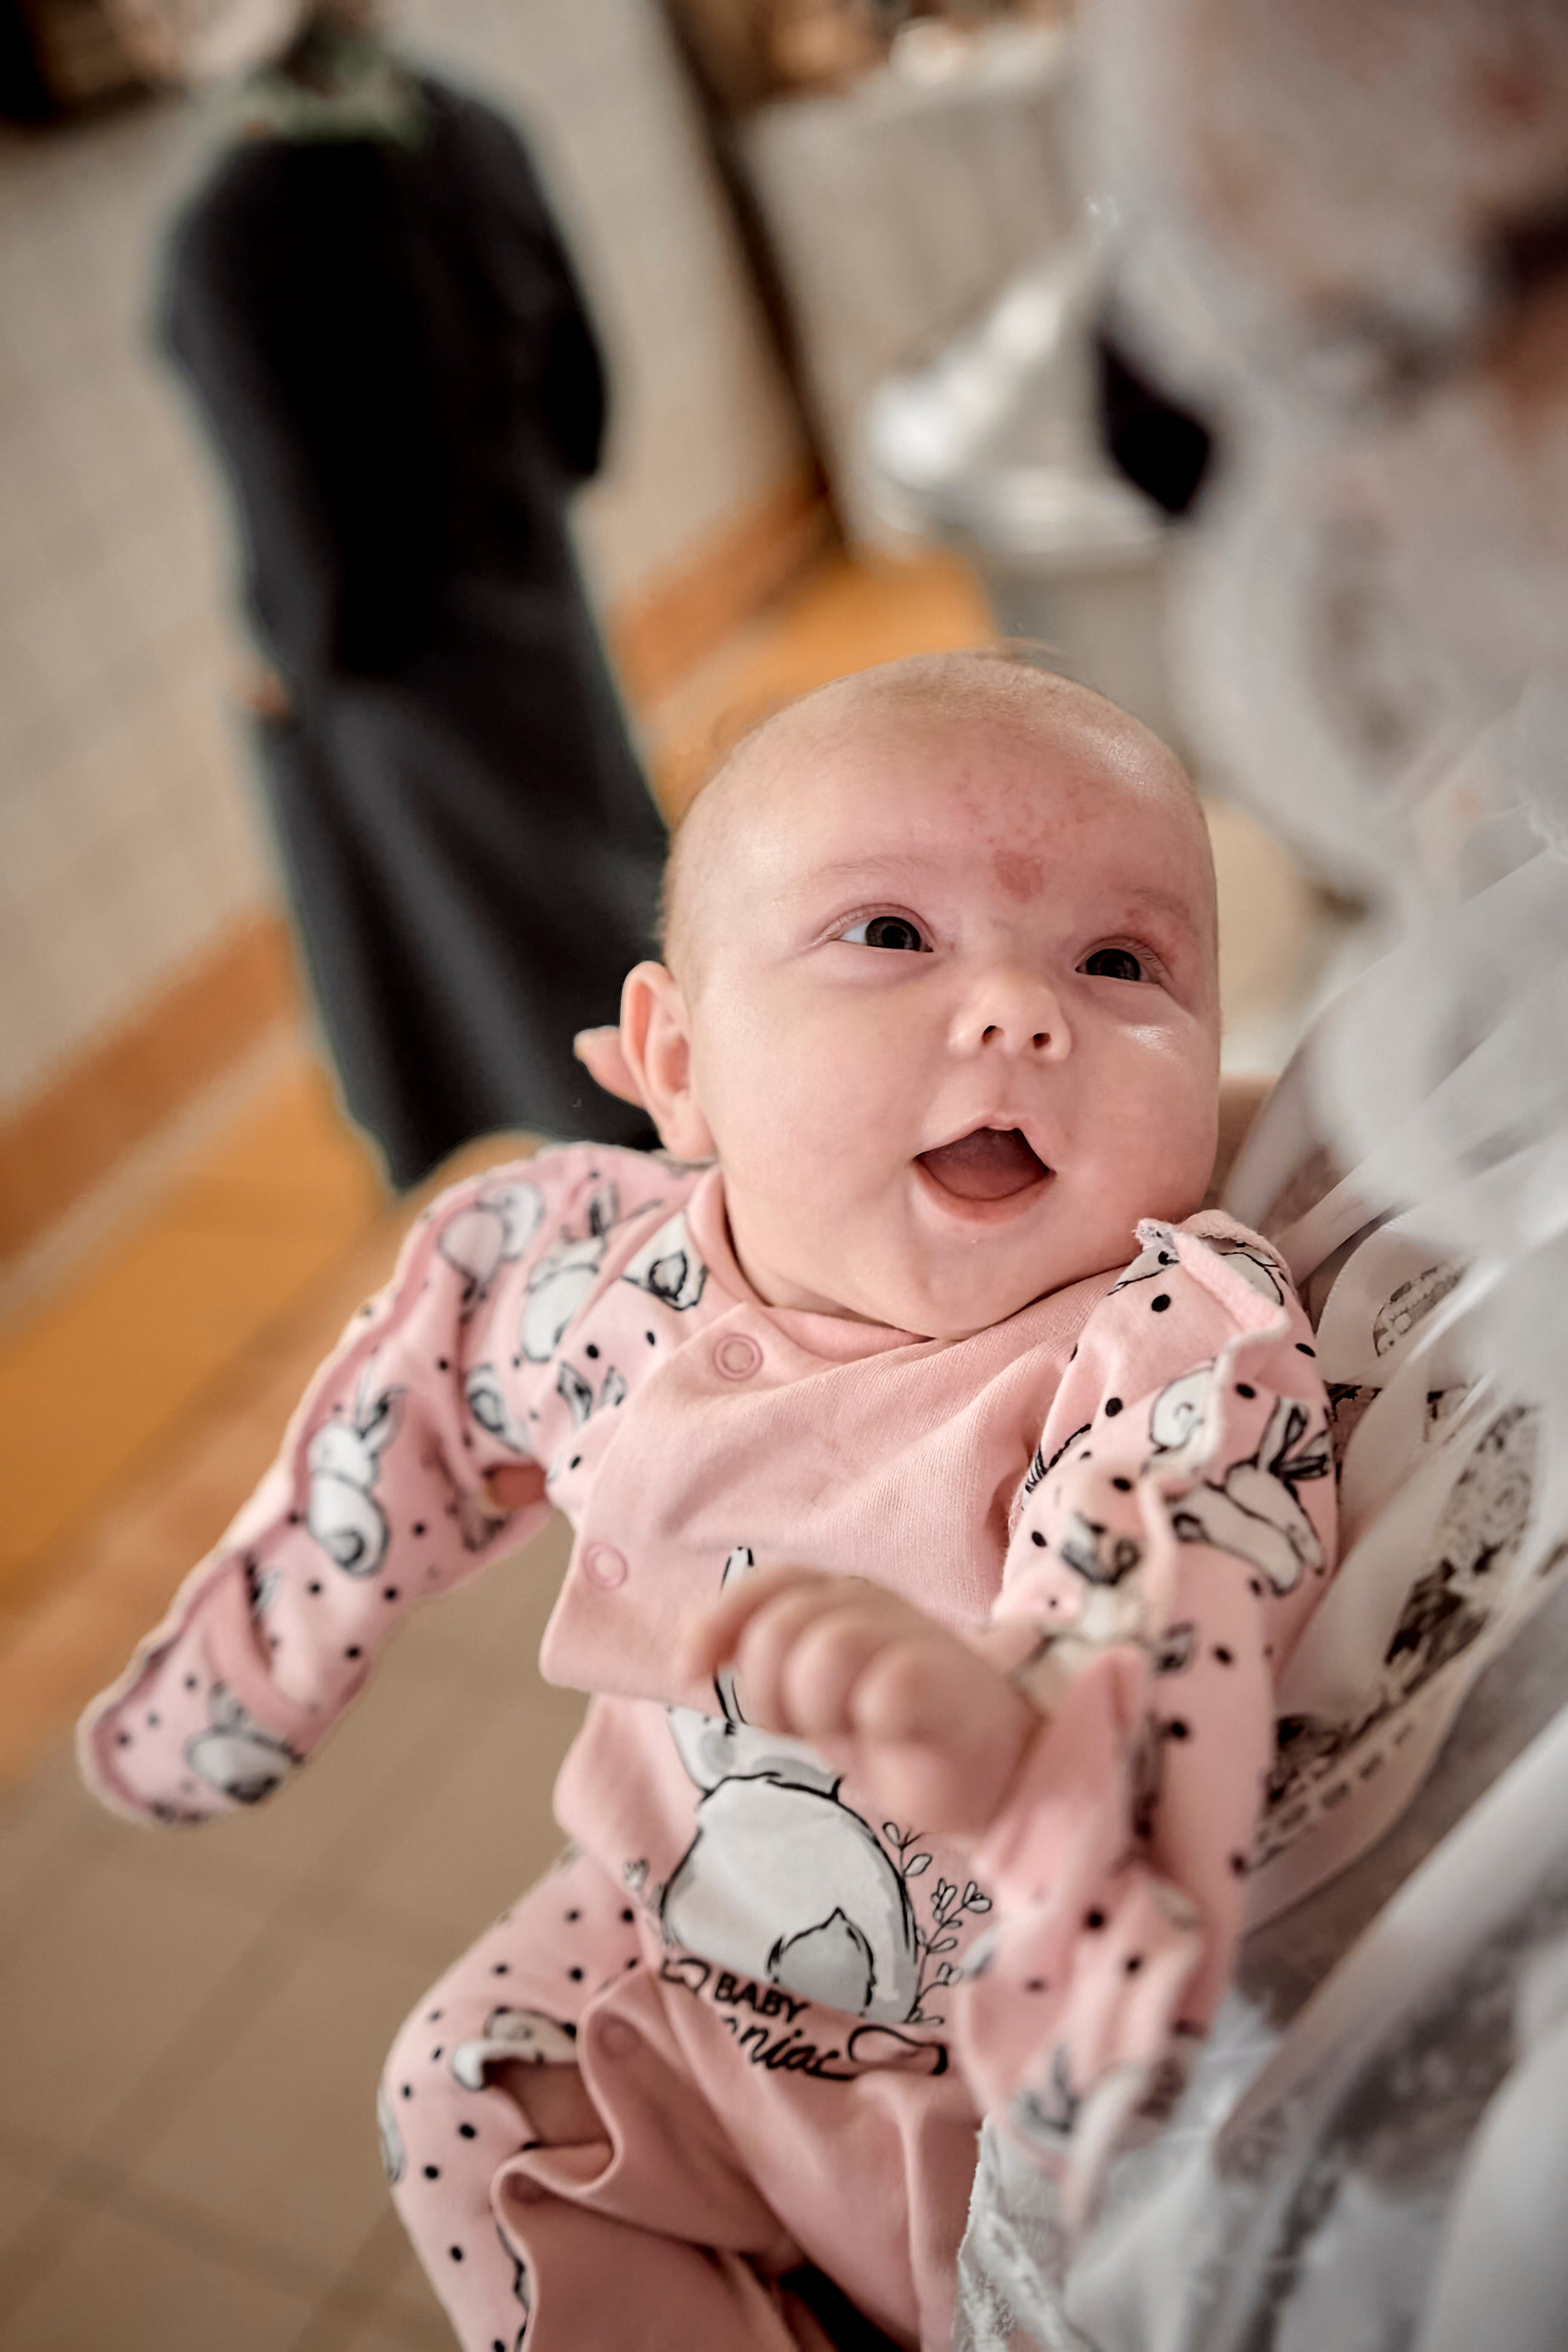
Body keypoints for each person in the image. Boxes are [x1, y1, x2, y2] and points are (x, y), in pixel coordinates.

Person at [79, 653, 1336, 2351]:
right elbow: (427, 1388)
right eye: (891, 934)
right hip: (668, 1944)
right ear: (680, 1058)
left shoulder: (1164, 1329)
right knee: (459, 2093)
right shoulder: (597, 1279)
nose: (1021, 1014)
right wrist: (247, 1674)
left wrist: (1027, 1722)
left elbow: (1174, 1562)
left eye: (1121, 964)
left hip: (999, 2044)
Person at [156, 2, 665, 1183]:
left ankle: (613, 1229)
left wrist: (289, 665)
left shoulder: (233, 231)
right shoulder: (470, 130)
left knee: (495, 974)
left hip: (398, 669)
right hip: (540, 607)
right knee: (609, 884)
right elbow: (585, 413)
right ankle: (716, 1130)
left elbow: (302, 532)